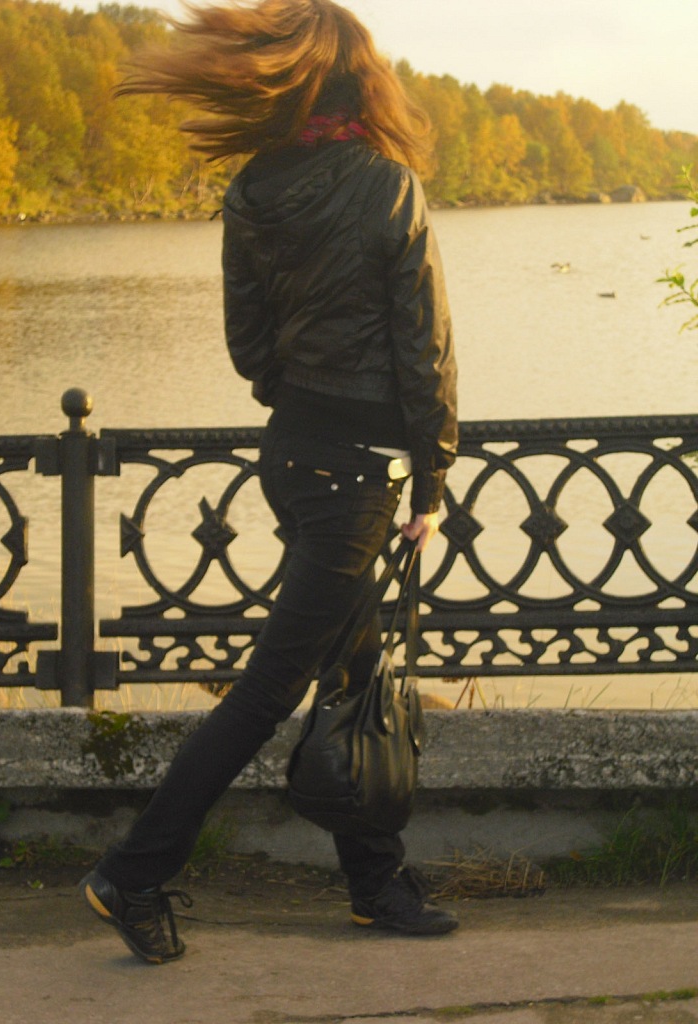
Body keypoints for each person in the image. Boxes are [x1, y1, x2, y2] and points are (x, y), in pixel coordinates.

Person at [81, 0, 458, 964]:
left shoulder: (251, 189)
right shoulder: (388, 187)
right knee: (267, 692)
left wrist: (305, 401)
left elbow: (248, 347)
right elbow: (425, 348)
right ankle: (132, 873)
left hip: (292, 457)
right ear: (363, 83)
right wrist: (431, 480)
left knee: (353, 668)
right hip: (358, 478)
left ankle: (378, 885)